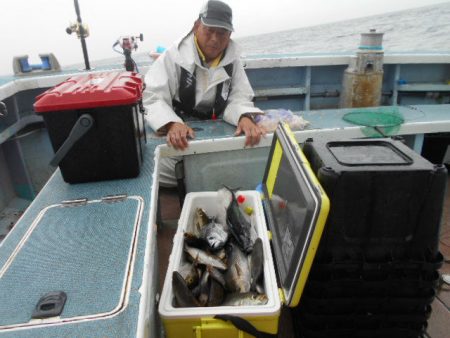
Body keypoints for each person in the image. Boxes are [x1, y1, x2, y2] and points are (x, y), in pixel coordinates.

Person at [143, 0, 266, 187]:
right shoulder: (172, 56)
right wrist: (171, 123)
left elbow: (239, 96)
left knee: (254, 149)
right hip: (180, 131)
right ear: (196, 26)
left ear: (230, 34)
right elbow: (153, 96)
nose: (215, 39)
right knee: (156, 169)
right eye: (209, 30)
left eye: (222, 33)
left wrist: (243, 116)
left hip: (216, 129)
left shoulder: (233, 59)